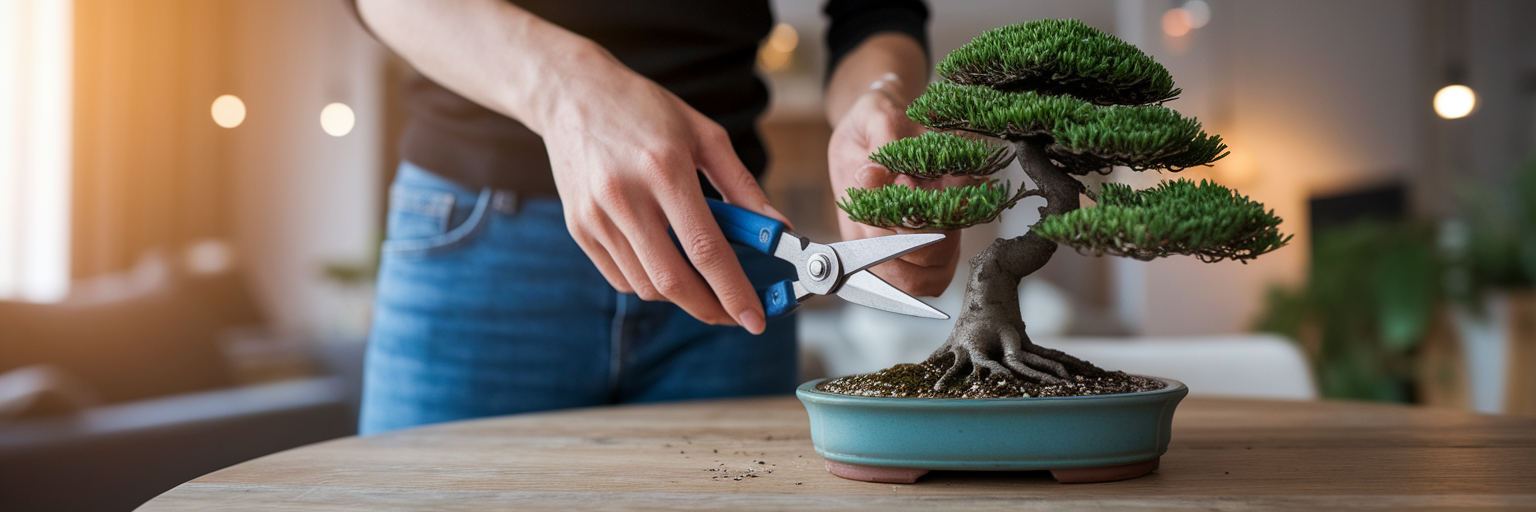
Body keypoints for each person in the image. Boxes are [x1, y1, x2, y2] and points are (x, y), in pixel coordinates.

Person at [352, 0, 968, 434]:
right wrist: (564, 87)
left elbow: (877, 10)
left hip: (732, 254)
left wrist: (879, 98)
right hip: (480, 249)